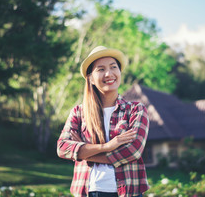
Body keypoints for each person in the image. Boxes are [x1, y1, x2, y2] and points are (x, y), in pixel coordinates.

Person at [57, 46, 150, 197]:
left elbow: (133, 151)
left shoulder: (135, 110)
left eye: (114, 67)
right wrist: (107, 146)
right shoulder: (79, 113)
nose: (109, 73)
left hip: (127, 192)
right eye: (101, 69)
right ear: (91, 78)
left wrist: (84, 152)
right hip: (89, 191)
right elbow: (62, 147)